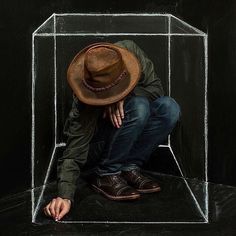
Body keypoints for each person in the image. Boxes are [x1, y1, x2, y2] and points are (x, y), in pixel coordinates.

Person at [44, 40, 181, 221]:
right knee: (139, 106)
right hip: (98, 145)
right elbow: (74, 150)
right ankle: (106, 174)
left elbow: (156, 90)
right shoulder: (84, 95)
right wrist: (64, 196)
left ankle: (128, 168)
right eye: (106, 92)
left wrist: (122, 96)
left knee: (169, 108)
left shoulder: (131, 52)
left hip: (128, 131)